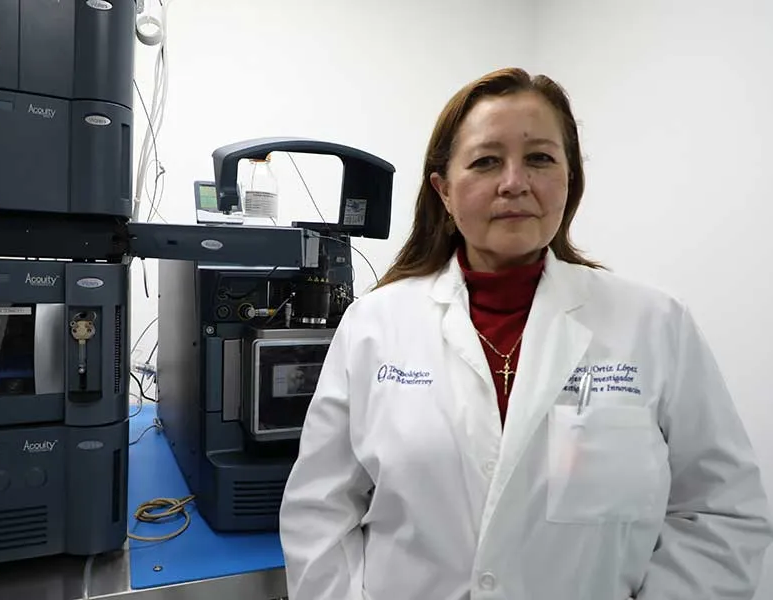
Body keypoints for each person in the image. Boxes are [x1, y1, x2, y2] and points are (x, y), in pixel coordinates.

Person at [278, 67, 773, 600]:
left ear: (569, 179)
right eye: (486, 161)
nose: (515, 182)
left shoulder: (654, 324)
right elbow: (320, 511)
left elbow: (720, 512)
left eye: (539, 158)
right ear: (444, 191)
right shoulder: (374, 325)